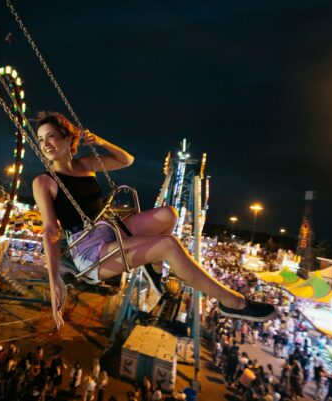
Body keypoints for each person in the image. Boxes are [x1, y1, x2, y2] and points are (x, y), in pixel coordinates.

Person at [32, 112, 276, 329]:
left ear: (67, 139)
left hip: (108, 230)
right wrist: (54, 282)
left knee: (169, 214)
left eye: (51, 136)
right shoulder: (44, 181)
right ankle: (232, 302)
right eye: (41, 139)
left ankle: (154, 268)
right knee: (168, 244)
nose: (46, 144)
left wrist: (101, 142)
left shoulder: (85, 164)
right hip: (89, 251)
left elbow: (126, 160)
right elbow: (50, 232)